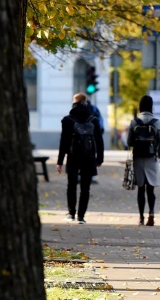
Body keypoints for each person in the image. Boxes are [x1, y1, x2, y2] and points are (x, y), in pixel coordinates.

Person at [57, 93, 104, 224]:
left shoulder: (68, 120)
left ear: (74, 102)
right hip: (89, 157)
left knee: (71, 185)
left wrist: (60, 161)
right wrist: (99, 158)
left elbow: (64, 141)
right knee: (85, 187)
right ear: (86, 103)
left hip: (73, 156)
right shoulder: (93, 120)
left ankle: (71, 213)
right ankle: (81, 216)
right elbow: (99, 140)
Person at [127, 95, 160, 226]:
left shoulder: (134, 122)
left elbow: (129, 142)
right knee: (151, 189)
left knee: (140, 189)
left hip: (138, 158)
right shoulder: (156, 122)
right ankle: (152, 214)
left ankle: (141, 217)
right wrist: (159, 153)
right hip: (151, 157)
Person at [86, 99, 104, 184]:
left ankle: (80, 175)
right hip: (92, 137)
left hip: (82, 138)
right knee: (92, 155)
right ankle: (91, 176)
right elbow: (100, 120)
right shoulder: (94, 109)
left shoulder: (78, 110)